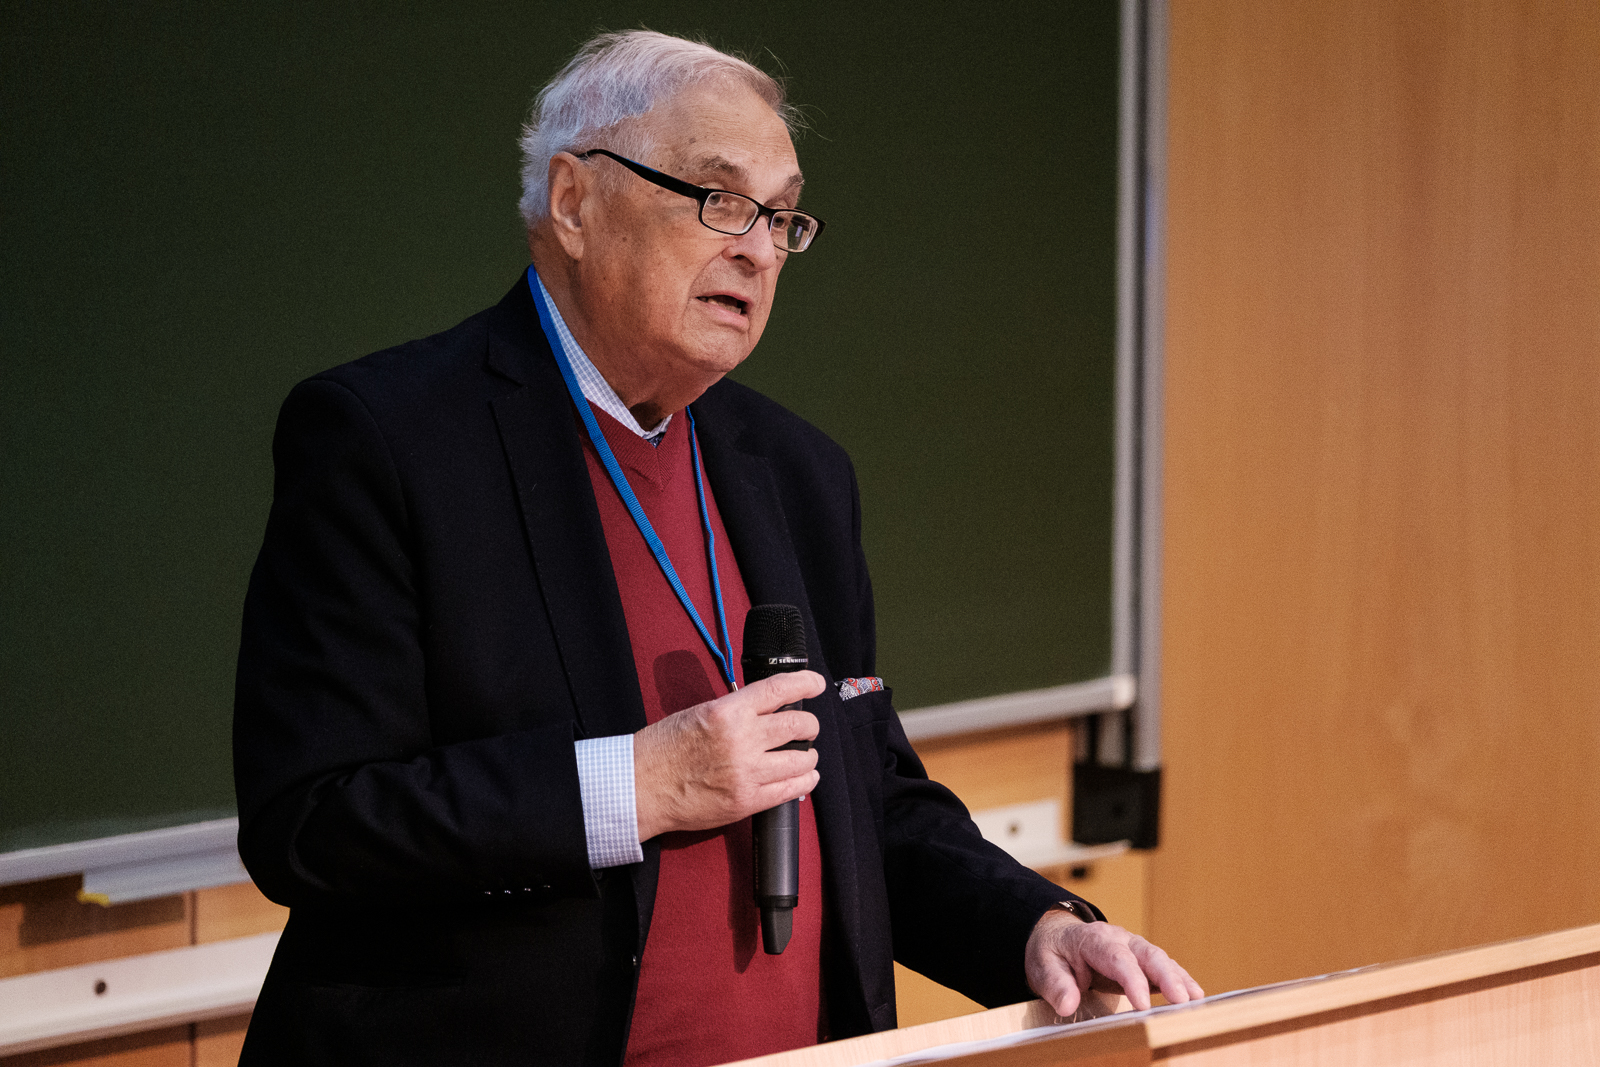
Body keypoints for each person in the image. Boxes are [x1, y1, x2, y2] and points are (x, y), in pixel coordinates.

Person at [233, 29, 1201, 1067]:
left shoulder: (796, 471)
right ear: (574, 202)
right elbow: (314, 821)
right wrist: (638, 784)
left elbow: (866, 798)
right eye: (718, 198)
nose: (758, 249)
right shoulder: (390, 439)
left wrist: (1035, 926)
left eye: (780, 216)